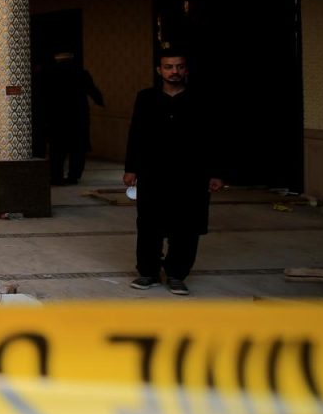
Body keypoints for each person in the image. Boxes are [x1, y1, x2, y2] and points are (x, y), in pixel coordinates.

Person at [122, 48, 223, 296]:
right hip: (153, 172)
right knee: (149, 224)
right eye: (168, 67)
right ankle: (148, 272)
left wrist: (216, 172)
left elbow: (216, 138)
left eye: (179, 67)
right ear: (160, 70)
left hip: (192, 174)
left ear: (186, 69)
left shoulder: (202, 98)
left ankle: (177, 274)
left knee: (186, 226)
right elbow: (136, 134)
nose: (174, 72)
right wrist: (131, 168)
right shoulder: (146, 98)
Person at [43, 51, 104, 185]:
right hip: (78, 118)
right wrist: (100, 101)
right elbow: (93, 91)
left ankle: (56, 176)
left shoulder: (51, 75)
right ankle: (73, 176)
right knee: (77, 149)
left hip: (57, 119)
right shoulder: (81, 74)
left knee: (57, 150)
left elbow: (44, 97)